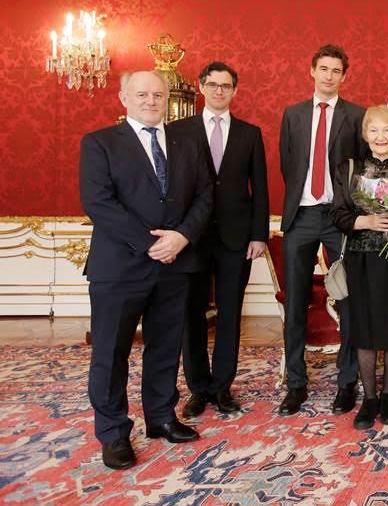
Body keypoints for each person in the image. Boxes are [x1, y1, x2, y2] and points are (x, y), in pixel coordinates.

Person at [79, 70, 213, 469]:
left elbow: (206, 194)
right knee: (110, 352)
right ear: (123, 97)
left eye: (158, 95)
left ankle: (160, 416)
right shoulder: (100, 143)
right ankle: (114, 432)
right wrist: (153, 244)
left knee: (166, 345)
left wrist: (182, 237)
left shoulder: (187, 142)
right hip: (120, 267)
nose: (151, 101)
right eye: (142, 94)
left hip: (175, 264)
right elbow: (98, 203)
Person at [169, 62, 269, 418]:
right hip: (190, 239)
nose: (219, 91)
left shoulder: (249, 133)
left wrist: (259, 235)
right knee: (191, 314)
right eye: (212, 85)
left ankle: (222, 387)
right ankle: (198, 388)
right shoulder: (177, 131)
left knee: (230, 315)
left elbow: (260, 189)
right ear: (201, 87)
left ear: (235, 91)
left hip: (235, 239)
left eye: (226, 86)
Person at [278, 45, 366, 416]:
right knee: (296, 303)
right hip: (300, 217)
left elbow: (361, 171)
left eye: (336, 71)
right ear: (311, 71)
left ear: (344, 76)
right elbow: (288, 164)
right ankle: (296, 384)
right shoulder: (293, 115)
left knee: (347, 300)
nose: (329, 76)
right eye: (323, 69)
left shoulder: (356, 116)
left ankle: (347, 383)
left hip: (338, 218)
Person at [332, 106, 388, 429]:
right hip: (362, 259)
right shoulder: (349, 168)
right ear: (365, 134)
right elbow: (338, 215)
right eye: (374, 130)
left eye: (387, 130)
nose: (381, 137)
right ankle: (369, 399)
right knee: (365, 331)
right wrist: (366, 220)